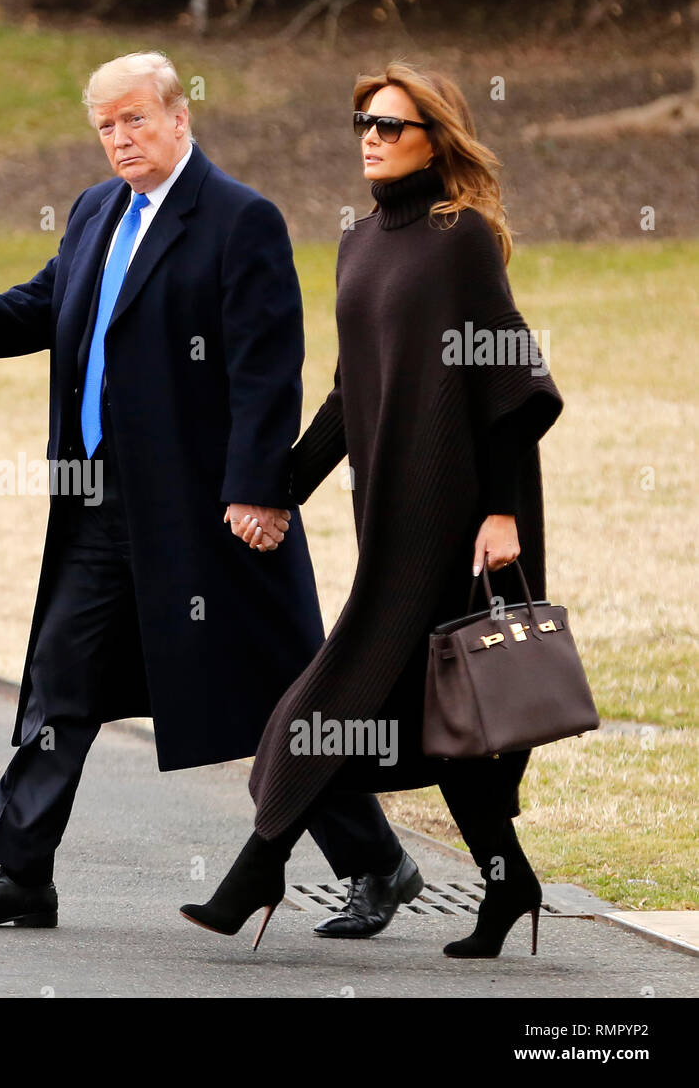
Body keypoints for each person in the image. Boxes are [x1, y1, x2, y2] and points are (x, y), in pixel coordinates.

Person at [0, 51, 420, 934]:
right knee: (58, 681)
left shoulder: (239, 219)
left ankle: (377, 862)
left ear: (181, 118)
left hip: (211, 516)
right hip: (97, 505)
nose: (120, 139)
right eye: (106, 126)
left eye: (135, 119)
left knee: (273, 693)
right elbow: (48, 306)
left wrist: (259, 490)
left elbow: (270, 367)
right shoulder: (96, 210)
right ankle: (22, 874)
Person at [182, 61, 564, 958]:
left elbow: (515, 385)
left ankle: (255, 870)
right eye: (363, 121)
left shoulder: (459, 236)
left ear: (437, 137)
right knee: (448, 720)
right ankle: (511, 886)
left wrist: (501, 515)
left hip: (465, 521)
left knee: (327, 700)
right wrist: (274, 488)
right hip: (391, 519)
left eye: (391, 125)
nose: (371, 137)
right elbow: (352, 399)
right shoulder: (359, 243)